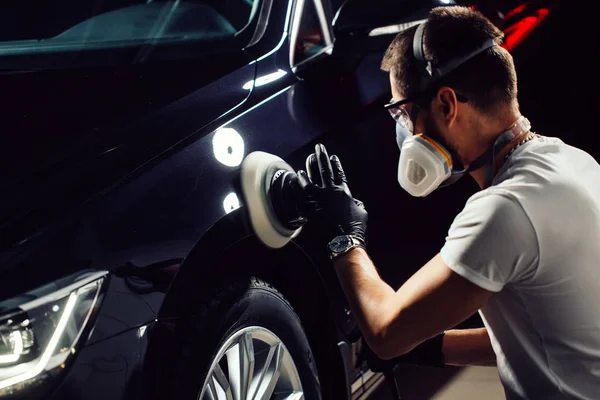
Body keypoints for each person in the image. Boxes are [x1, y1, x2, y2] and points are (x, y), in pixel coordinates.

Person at [296, 6, 600, 400]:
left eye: (404, 113)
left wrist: (344, 238)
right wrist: (428, 347)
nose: (405, 133)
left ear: (446, 105)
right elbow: (549, 337)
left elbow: (386, 333)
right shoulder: (575, 163)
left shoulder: (503, 210)